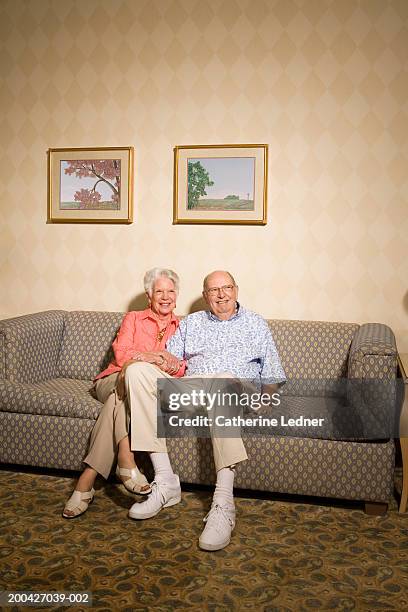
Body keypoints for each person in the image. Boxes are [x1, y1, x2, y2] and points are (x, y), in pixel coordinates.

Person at [124, 270, 286, 551]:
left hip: (234, 389)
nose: (221, 294)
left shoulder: (256, 323)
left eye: (226, 288)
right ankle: (165, 483)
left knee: (221, 380)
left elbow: (271, 373)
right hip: (195, 389)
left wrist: (267, 399)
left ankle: (223, 503)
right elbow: (170, 360)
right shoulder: (192, 323)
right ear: (205, 296)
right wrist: (152, 357)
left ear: (236, 290)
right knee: (138, 372)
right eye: (214, 290)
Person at [63, 267, 184, 518]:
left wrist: (149, 360)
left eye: (170, 291)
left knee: (129, 391)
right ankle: (126, 461)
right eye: (159, 291)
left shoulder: (182, 327)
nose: (165, 296)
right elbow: (122, 355)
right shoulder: (134, 318)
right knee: (129, 378)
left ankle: (87, 480)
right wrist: (158, 358)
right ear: (148, 295)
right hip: (112, 379)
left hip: (140, 389)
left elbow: (180, 367)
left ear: (177, 295)